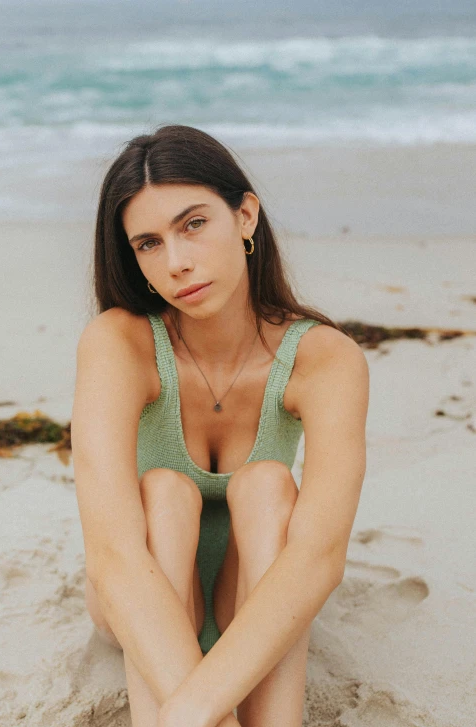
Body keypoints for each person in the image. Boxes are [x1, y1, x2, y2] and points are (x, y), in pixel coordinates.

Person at [71, 124, 369, 727]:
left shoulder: (325, 359)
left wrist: (196, 710)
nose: (177, 262)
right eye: (148, 243)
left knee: (266, 486)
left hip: (260, 599)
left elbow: (318, 556)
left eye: (194, 224)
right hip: (141, 598)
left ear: (246, 216)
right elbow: (113, 554)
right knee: (164, 492)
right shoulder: (119, 344)